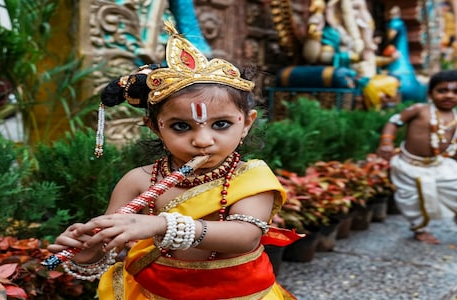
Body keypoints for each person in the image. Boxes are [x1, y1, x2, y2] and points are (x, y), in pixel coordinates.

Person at [47, 21, 297, 299]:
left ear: (247, 123)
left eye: (221, 124)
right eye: (181, 126)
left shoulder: (252, 179)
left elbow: (244, 236)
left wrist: (161, 224)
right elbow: (111, 246)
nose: (202, 140)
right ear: (155, 127)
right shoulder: (138, 181)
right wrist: (88, 253)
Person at [376, 70, 457, 245]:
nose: (449, 95)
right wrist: (386, 142)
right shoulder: (419, 110)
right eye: (442, 90)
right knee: (412, 200)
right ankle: (420, 229)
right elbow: (394, 121)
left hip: (440, 164)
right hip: (409, 165)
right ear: (430, 93)